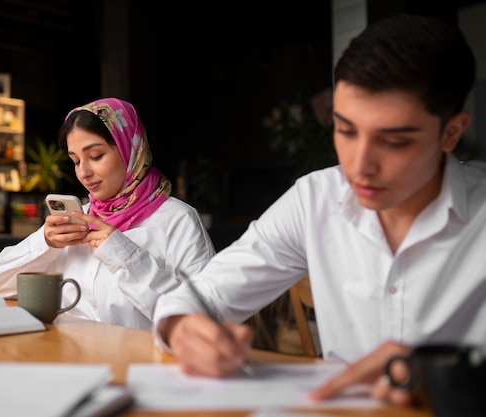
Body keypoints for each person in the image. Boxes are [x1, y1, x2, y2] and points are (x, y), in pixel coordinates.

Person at [152, 13, 486, 407]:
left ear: (450, 132)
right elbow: (202, 293)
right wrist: (183, 328)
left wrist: (444, 375)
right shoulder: (316, 199)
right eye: (345, 130)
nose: (359, 165)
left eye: (394, 141)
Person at [0, 97, 215, 331]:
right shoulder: (79, 218)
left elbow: (204, 319)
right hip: (69, 359)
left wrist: (123, 255)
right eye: (75, 161)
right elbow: (0, 284)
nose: (84, 173)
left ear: (130, 150)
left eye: (96, 156)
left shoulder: (178, 220)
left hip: (140, 364)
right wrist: (45, 242)